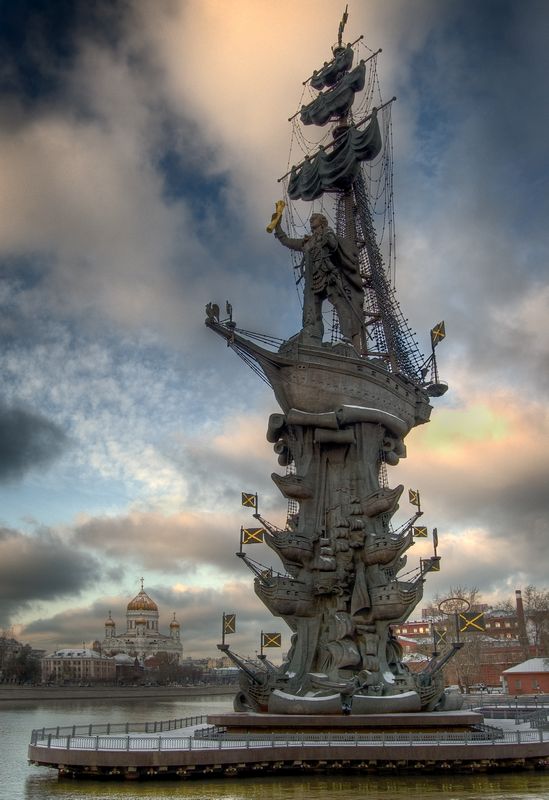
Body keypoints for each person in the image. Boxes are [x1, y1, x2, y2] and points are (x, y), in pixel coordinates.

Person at [274, 213, 364, 350]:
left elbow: (333, 245)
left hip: (328, 275)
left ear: (322, 221)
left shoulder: (327, 233)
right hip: (313, 280)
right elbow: (287, 241)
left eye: (314, 218)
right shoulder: (307, 242)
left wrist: (327, 236)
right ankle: (314, 338)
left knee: (340, 304)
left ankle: (347, 337)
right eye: (310, 218)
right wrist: (277, 226)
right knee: (313, 312)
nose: (311, 219)